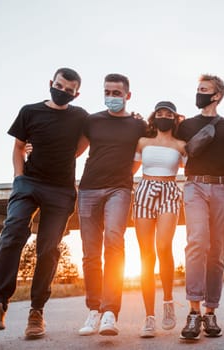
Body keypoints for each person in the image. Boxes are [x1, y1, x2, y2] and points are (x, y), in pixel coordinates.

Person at [0, 68, 88, 339]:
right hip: (29, 184)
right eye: (59, 86)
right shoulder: (29, 111)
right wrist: (19, 178)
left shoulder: (80, 116)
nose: (63, 92)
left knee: (47, 249)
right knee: (12, 232)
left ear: (76, 93)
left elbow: (81, 146)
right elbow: (18, 147)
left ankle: (36, 312)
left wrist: (63, 155)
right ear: (51, 83)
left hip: (60, 190)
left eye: (69, 90)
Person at [76, 73, 147, 337]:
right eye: (108, 92)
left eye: (117, 93)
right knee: (90, 252)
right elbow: (75, 151)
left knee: (114, 242)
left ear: (128, 96)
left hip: (120, 188)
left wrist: (124, 176)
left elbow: (140, 156)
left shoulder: (138, 125)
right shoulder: (91, 121)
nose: (112, 97)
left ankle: (110, 312)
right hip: (88, 189)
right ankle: (94, 309)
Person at [175, 74, 224, 340]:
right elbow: (176, 154)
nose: (198, 93)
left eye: (204, 90)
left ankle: (210, 311)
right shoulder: (186, 125)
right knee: (197, 242)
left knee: (217, 252)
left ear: (216, 95)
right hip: (195, 186)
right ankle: (193, 311)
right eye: (197, 89)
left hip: (223, 187)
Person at [133, 101, 186, 338]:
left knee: (163, 247)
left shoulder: (181, 145)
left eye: (169, 114)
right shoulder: (143, 142)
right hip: (145, 190)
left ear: (175, 118)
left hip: (170, 192)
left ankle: (167, 301)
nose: (164, 116)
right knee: (146, 254)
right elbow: (129, 169)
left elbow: (195, 167)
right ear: (154, 117)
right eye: (160, 113)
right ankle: (148, 316)